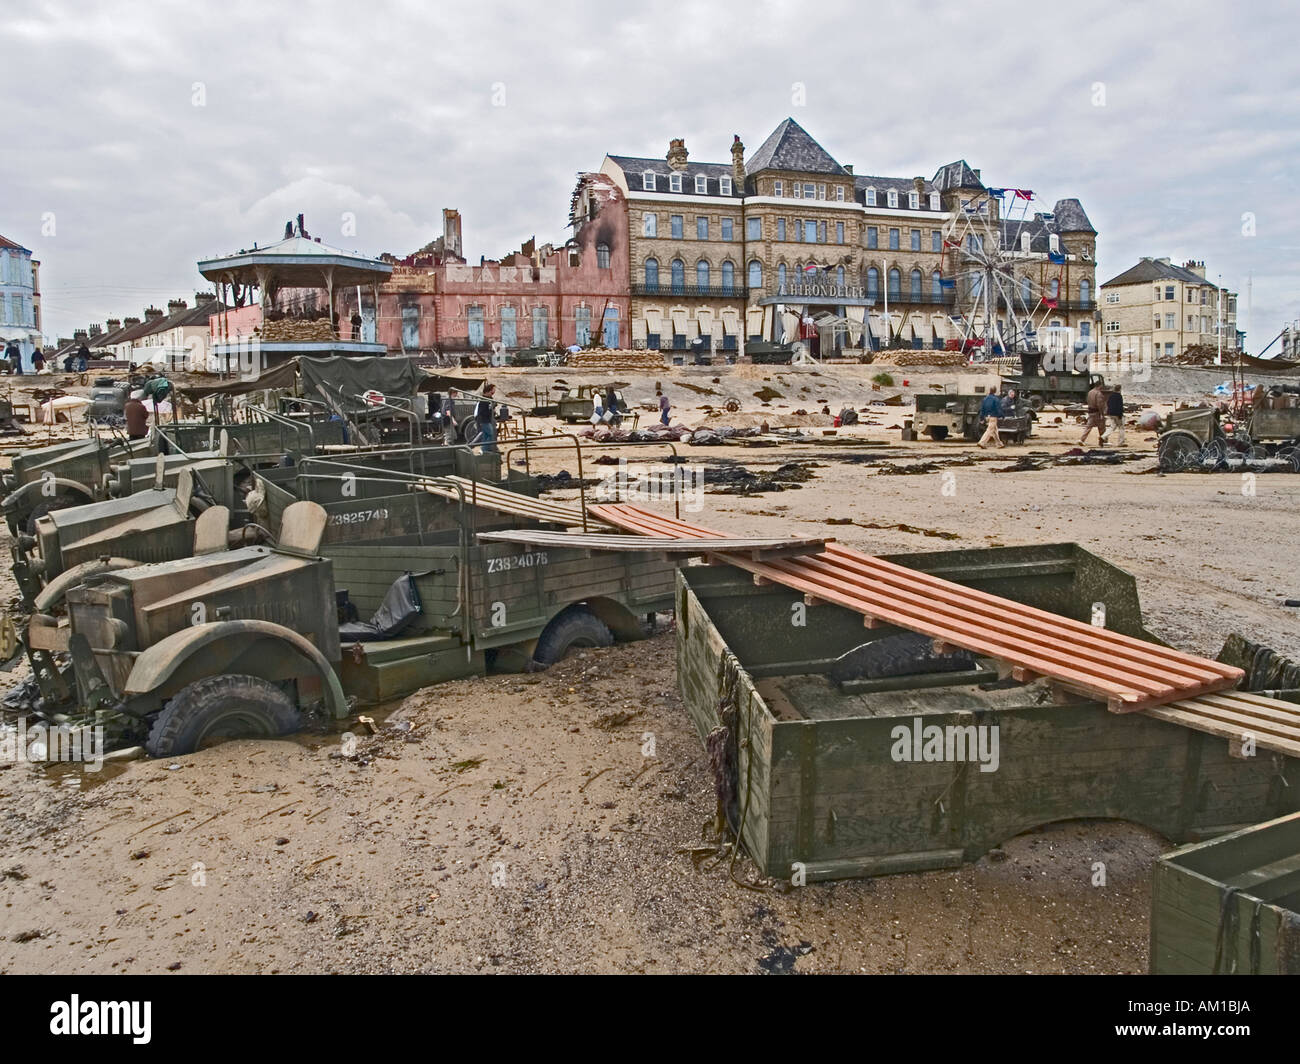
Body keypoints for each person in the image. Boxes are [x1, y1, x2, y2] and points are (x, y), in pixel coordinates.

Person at [475, 383, 497, 453]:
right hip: (484, 420)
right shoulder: (483, 400)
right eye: (492, 390)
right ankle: (483, 449)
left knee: (485, 435)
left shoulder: (490, 399)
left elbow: (493, 406)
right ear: (488, 391)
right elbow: (481, 412)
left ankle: (485, 449)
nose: (493, 392)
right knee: (491, 434)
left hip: (488, 419)